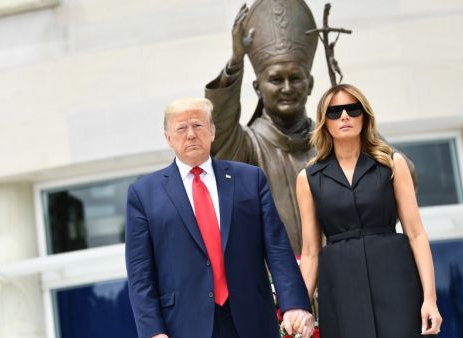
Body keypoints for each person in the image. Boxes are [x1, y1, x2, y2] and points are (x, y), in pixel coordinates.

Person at [125, 98, 314, 338]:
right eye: (181, 128)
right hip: (183, 325)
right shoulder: (143, 194)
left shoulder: (250, 179)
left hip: (252, 317)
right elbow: (140, 273)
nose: (191, 135)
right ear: (168, 138)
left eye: (198, 125)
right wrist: (153, 331)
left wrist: (294, 304)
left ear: (213, 131)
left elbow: (276, 246)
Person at [296, 84, 443, 338]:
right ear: (324, 121)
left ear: (364, 116)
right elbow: (309, 253)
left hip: (395, 278)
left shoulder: (392, 163)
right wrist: (297, 307)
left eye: (353, 109)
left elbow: (416, 234)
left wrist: (429, 298)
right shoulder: (308, 178)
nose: (344, 116)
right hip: (340, 287)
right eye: (334, 112)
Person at [205, 0, 319, 255]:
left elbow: (401, 174)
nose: (287, 88)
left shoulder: (330, 142)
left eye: (296, 78)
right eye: (276, 79)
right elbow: (219, 129)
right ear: (258, 88)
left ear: (310, 83)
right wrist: (235, 62)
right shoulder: (247, 146)